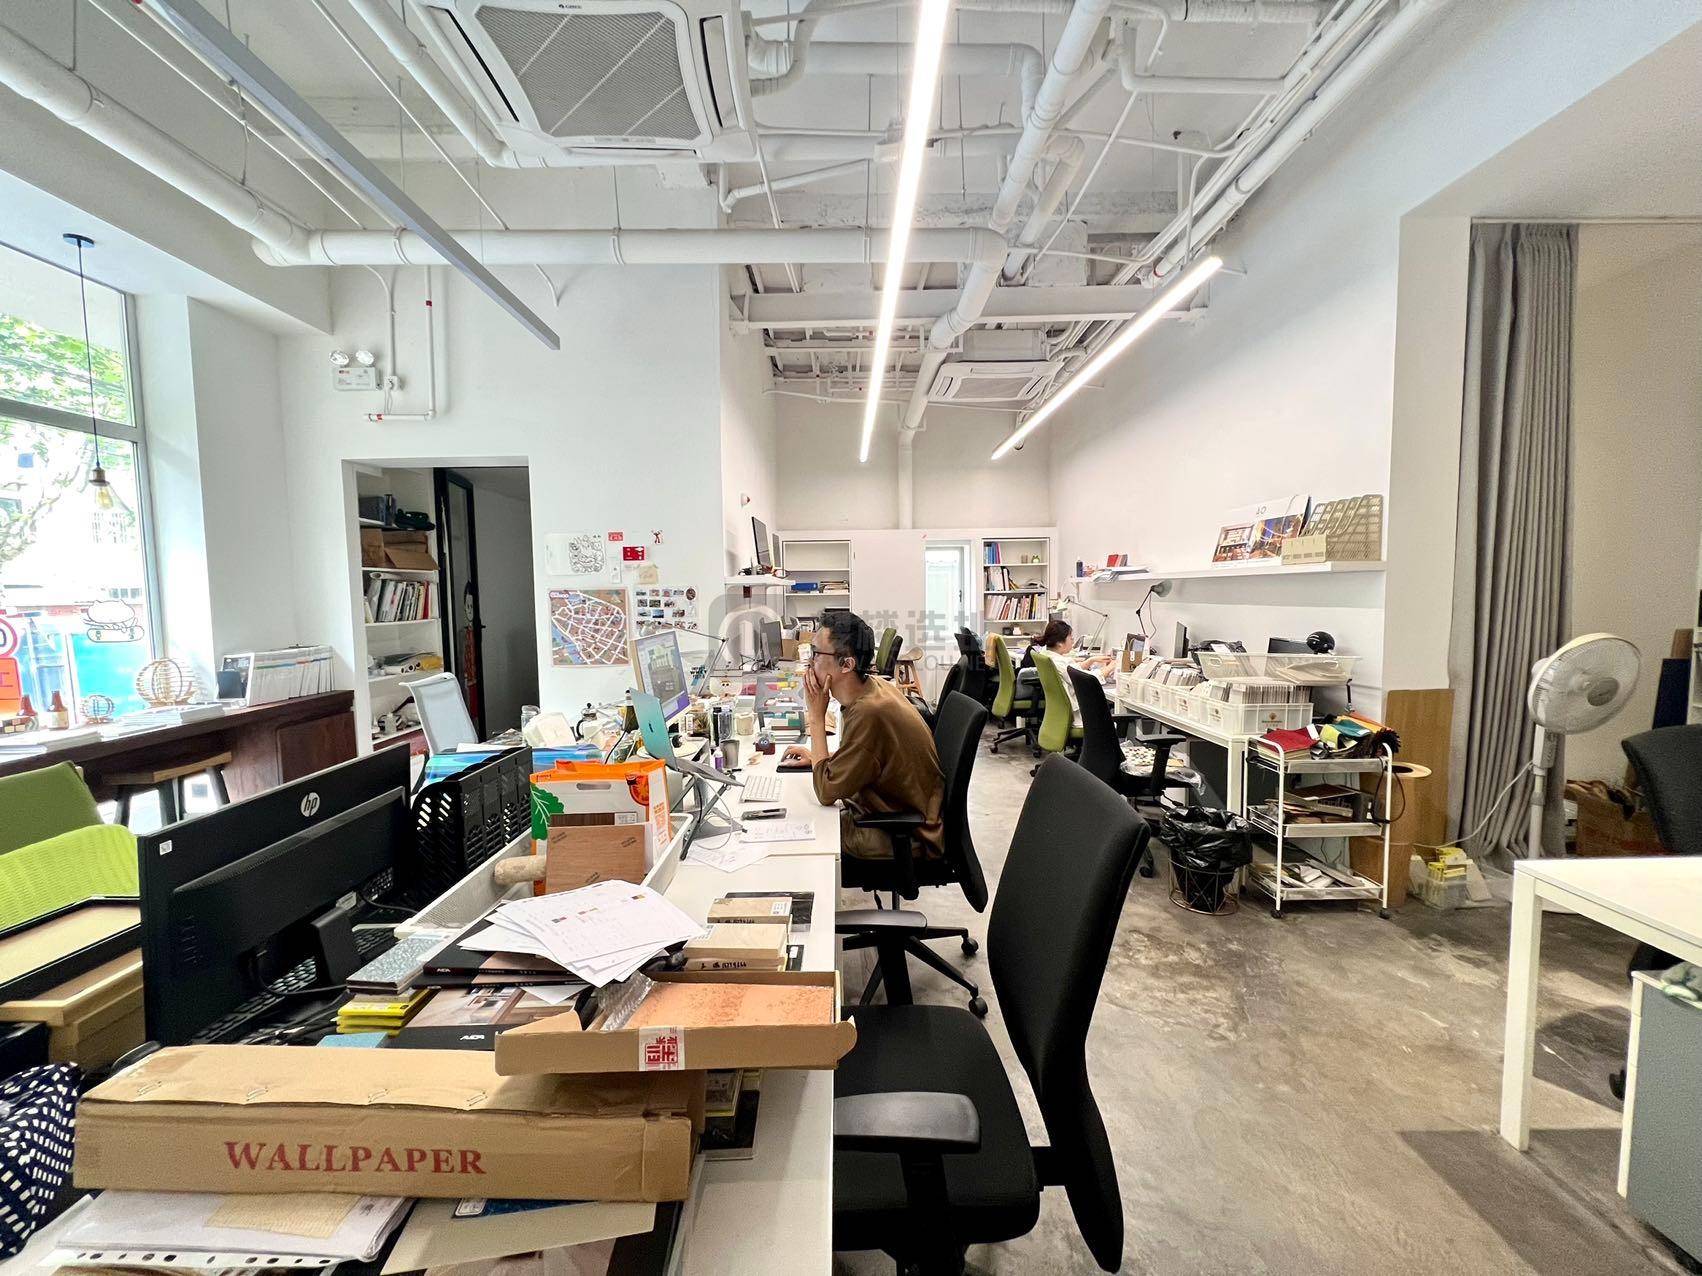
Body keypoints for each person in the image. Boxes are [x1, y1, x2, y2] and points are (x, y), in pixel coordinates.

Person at [781, 611, 944, 861]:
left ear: (847, 664)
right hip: (892, 813)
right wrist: (819, 757)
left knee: (805, 835)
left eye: (815, 654)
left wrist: (816, 718)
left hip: (907, 835)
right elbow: (869, 754)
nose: (809, 663)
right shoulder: (873, 687)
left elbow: (825, 792)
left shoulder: (869, 712)